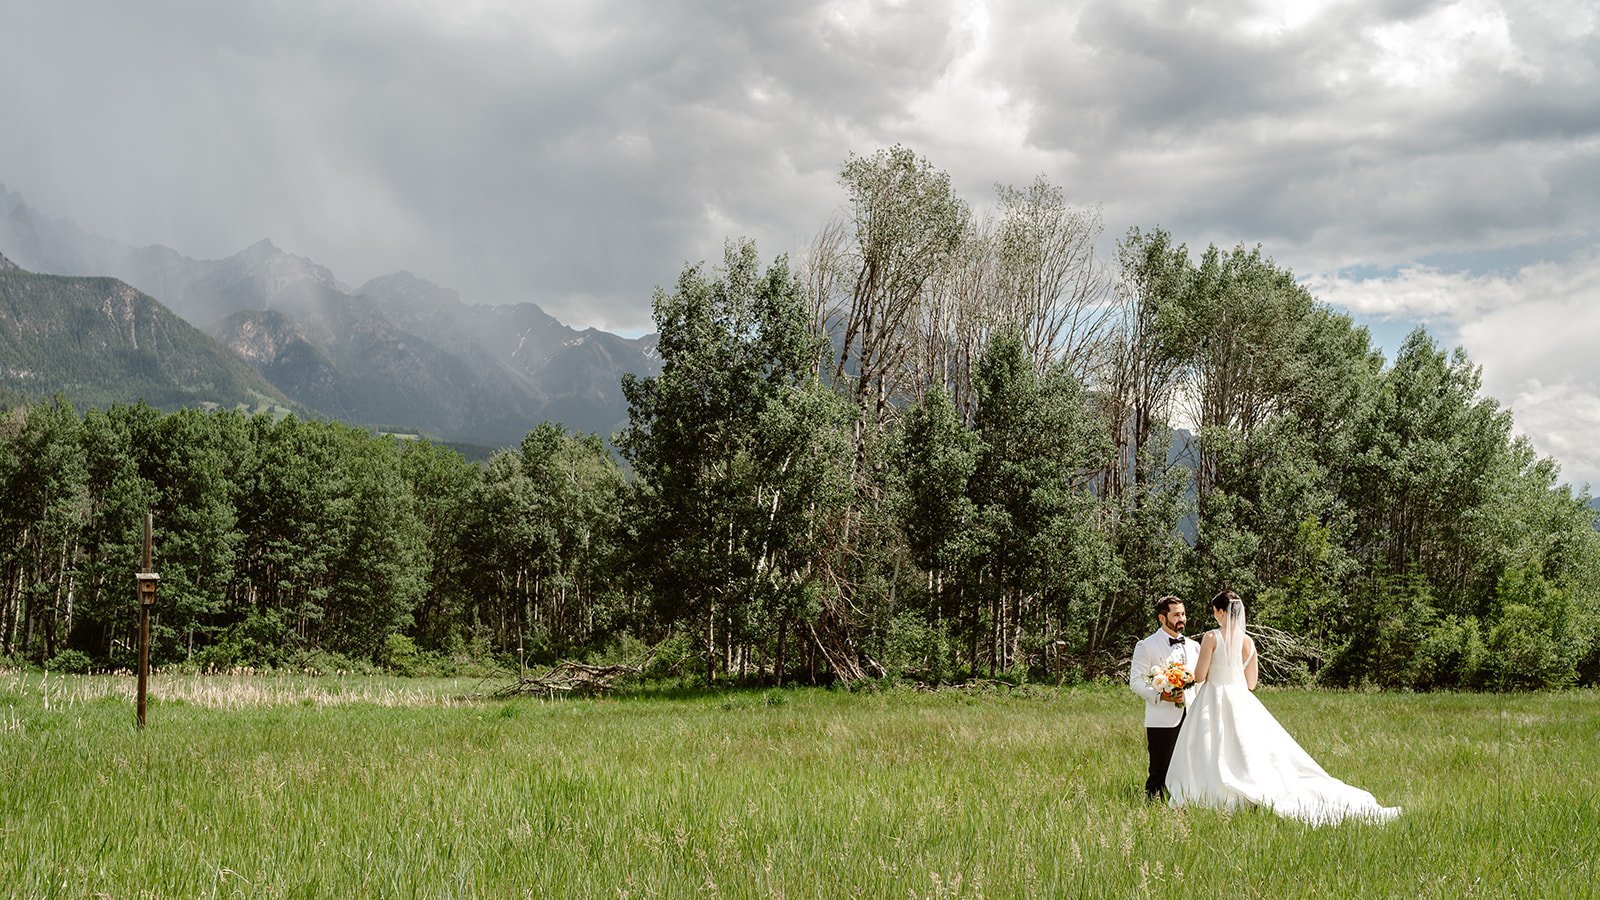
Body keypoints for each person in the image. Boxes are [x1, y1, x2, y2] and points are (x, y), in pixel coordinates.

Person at [1166, 590, 1401, 825]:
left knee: (1212, 746)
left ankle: (1212, 792)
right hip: (1241, 700)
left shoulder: (1211, 637)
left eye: (1215, 611)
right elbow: (1251, 683)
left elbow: (1198, 676)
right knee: (1247, 748)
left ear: (1219, 612)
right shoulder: (1247, 641)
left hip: (1214, 697)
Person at [1129, 595, 1200, 800]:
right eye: (1176, 614)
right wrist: (1161, 696)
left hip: (1193, 715)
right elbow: (1136, 681)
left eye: (1184, 614)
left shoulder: (1195, 646)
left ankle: (1186, 801)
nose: (1182, 618)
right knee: (1159, 769)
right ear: (1162, 618)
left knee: (1191, 765)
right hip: (1162, 718)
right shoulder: (1146, 646)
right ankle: (1153, 806)